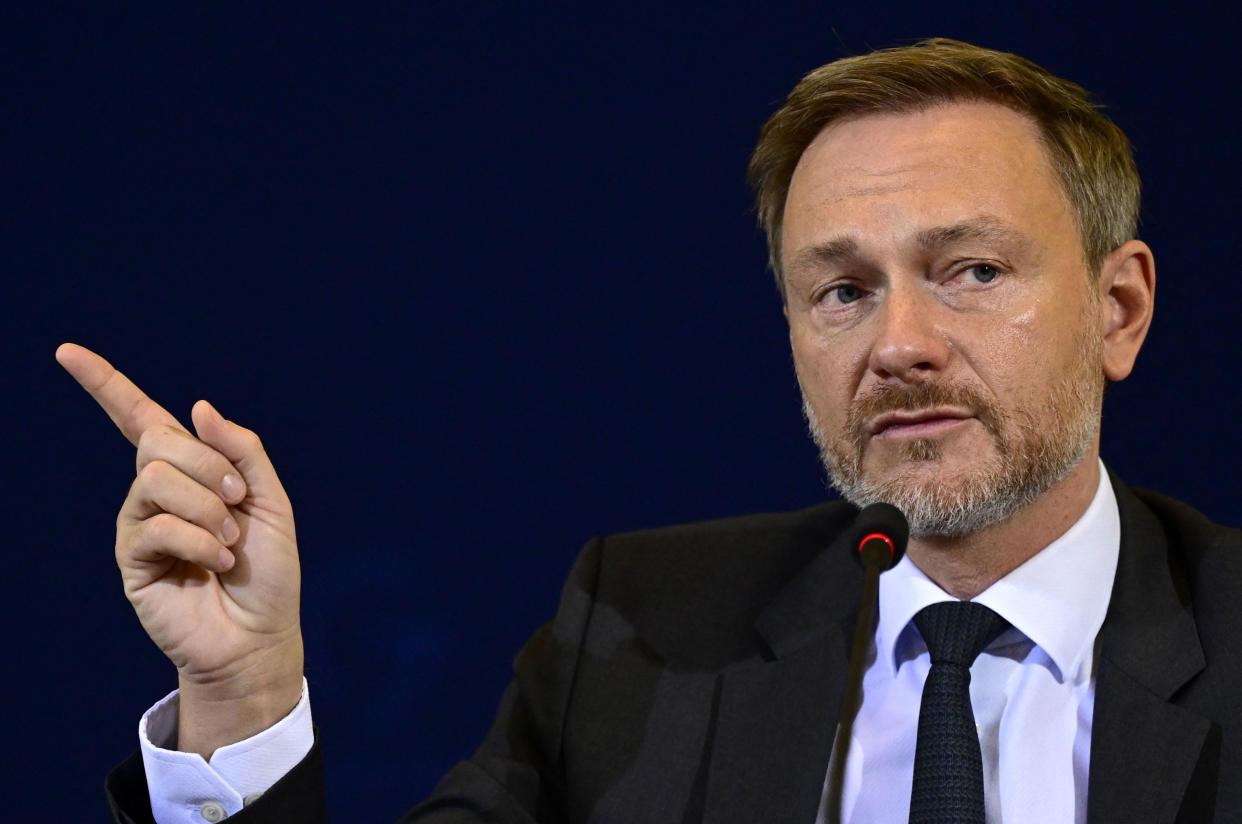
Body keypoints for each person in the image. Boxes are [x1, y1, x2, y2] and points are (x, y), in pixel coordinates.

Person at [61, 38, 1242, 824]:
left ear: (1119, 309)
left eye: (971, 269)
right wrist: (244, 690)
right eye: (842, 291)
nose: (900, 342)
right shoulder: (644, 629)